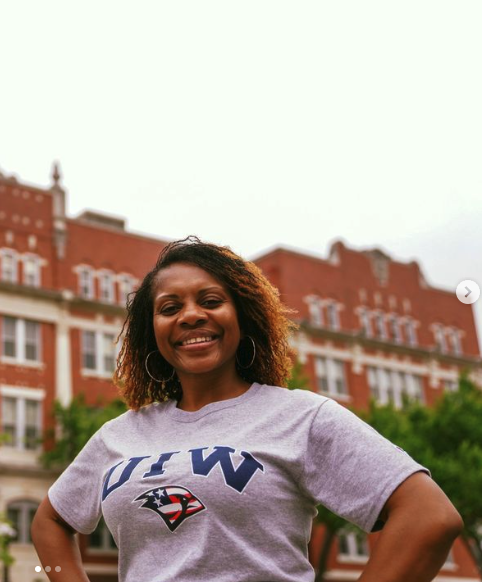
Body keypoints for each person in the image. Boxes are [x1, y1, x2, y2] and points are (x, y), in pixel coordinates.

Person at [31, 236, 462, 582]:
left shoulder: (300, 416)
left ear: (243, 318)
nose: (191, 315)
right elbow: (49, 522)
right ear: (153, 332)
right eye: (170, 307)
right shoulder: (119, 435)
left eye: (211, 301)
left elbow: (430, 517)